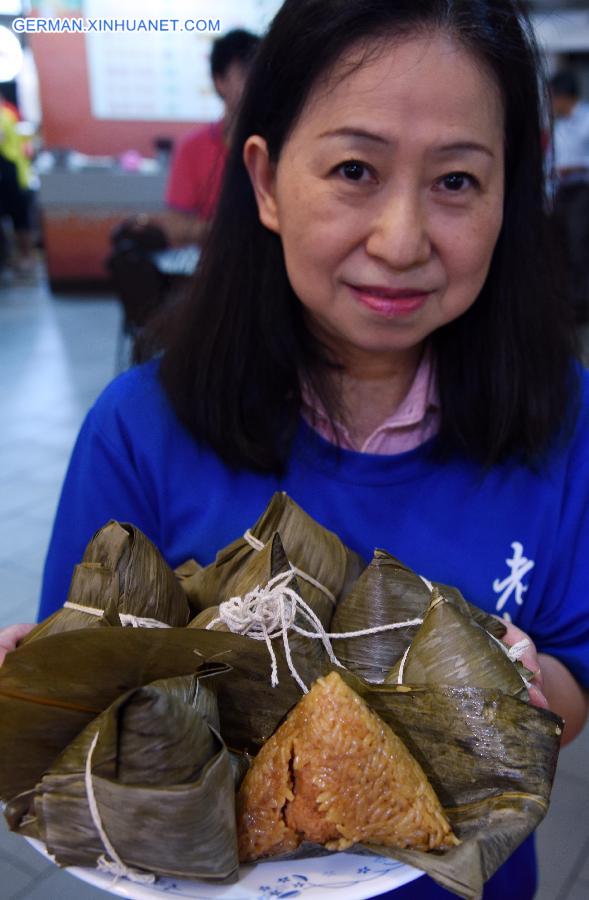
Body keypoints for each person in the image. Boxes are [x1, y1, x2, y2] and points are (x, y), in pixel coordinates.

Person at [2, 1, 589, 897]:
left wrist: (520, 683)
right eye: (354, 169)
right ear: (268, 183)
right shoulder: (136, 428)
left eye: (457, 182)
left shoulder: (568, 419)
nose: (400, 241)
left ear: (509, 194)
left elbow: (575, 678)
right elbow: (80, 702)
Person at [164, 28, 260, 246]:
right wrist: (233, 228)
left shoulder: (278, 143)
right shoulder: (192, 148)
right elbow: (175, 228)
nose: (256, 82)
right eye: (246, 72)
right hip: (212, 267)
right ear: (220, 81)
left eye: (260, 72)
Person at [549, 70, 589, 322]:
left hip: (582, 191)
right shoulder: (560, 125)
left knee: (579, 246)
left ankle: (582, 305)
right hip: (562, 191)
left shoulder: (586, 120)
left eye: (553, 97)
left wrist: (573, 167)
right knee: (560, 245)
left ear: (565, 96)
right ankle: (568, 301)